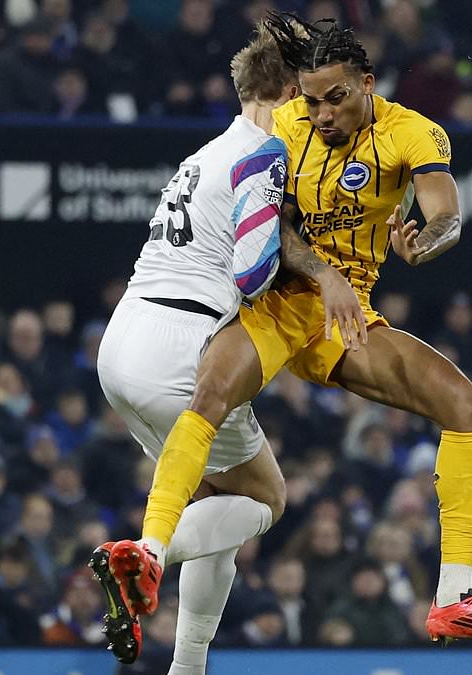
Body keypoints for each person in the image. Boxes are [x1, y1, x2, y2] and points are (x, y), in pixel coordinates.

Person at [106, 10, 472, 655]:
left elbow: (445, 209)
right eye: (311, 100)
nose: (322, 114)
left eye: (336, 98)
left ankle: (454, 599)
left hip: (344, 322)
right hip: (278, 305)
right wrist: (323, 272)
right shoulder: (282, 127)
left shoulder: (412, 132)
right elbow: (266, 224)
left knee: (469, 406)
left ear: (367, 82)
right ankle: (152, 552)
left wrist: (431, 239)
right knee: (210, 397)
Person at [89, 21, 300, 669]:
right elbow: (251, 270)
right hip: (185, 348)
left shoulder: (202, 153)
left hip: (123, 341)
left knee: (215, 503)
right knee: (267, 498)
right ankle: (147, 555)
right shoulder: (264, 153)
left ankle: (187, 666)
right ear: (286, 91)